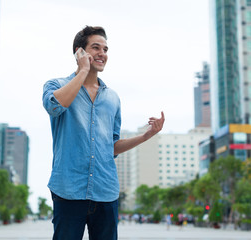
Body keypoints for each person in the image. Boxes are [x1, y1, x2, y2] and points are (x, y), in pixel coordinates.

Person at [42, 25, 165, 240]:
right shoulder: (56, 85)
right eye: (96, 48)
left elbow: (112, 147)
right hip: (68, 189)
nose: (102, 54)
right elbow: (55, 107)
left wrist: (146, 136)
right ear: (80, 52)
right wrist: (82, 72)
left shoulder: (113, 98)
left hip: (105, 191)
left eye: (105, 49)